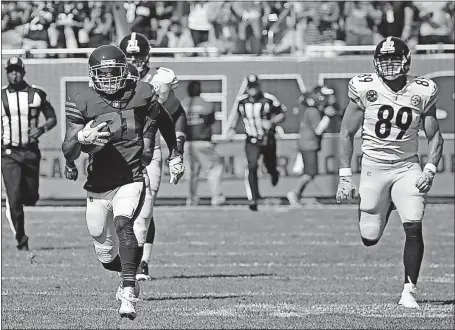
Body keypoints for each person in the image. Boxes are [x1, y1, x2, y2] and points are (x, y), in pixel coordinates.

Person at [62, 45, 184, 319]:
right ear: (92, 75)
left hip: (132, 174)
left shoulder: (141, 92)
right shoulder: (82, 100)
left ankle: (129, 290)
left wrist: (175, 154)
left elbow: (166, 119)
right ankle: (124, 271)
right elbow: (68, 148)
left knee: (124, 222)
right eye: (102, 74)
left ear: (124, 70)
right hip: (98, 182)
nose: (108, 79)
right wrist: (81, 140)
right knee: (104, 253)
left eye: (113, 72)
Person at [336, 37, 443, 309]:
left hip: (407, 166)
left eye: (395, 60)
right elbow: (346, 132)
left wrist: (429, 170)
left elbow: (435, 137)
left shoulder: (423, 89)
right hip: (374, 166)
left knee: (414, 224)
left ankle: (409, 291)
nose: (390, 66)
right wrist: (345, 176)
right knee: (369, 237)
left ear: (407, 60)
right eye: (385, 61)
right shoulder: (364, 87)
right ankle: (386, 204)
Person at [119, 32, 188, 281]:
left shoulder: (160, 79)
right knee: (123, 209)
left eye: (137, 56)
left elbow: (176, 114)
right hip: (120, 150)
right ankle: (129, 259)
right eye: (129, 56)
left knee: (145, 210)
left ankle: (140, 263)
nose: (134, 61)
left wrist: (176, 147)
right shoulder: (113, 78)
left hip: (151, 151)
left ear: (147, 56)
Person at [1, 56, 57, 251]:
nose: (14, 74)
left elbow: (52, 118)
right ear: (6, 73)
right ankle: (21, 240)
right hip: (8, 153)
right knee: (14, 197)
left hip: (31, 152)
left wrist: (41, 129)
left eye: (17, 70)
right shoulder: (1, 96)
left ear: (23, 72)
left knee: (31, 197)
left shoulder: (37, 94)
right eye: (11, 70)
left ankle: (19, 198)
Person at [227, 74, 286, 211]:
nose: (253, 90)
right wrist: (231, 129)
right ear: (247, 88)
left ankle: (274, 173)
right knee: (252, 166)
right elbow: (236, 116)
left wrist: (271, 122)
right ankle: (254, 198)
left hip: (267, 139)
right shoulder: (242, 102)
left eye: (255, 87)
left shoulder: (269, 99)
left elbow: (282, 114)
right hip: (251, 140)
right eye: (250, 87)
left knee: (269, 165)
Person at [287, 85, 338, 206]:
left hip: (309, 144)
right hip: (308, 145)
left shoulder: (314, 110)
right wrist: (328, 116)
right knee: (310, 173)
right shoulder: (313, 111)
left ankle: (297, 194)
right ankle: (294, 193)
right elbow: (318, 130)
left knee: (310, 172)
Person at [181, 80, 225, 206]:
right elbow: (211, 121)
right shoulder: (206, 104)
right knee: (214, 169)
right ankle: (217, 198)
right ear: (200, 90)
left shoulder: (183, 105)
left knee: (191, 173)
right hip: (203, 142)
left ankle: (191, 199)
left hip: (187, 143)